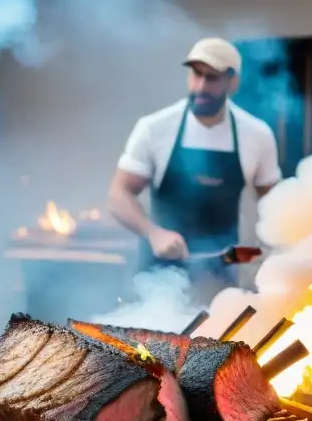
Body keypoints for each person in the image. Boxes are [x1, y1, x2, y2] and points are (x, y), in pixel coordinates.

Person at [107, 37, 282, 303]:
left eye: (212, 78)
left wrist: (277, 256)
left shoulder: (257, 135)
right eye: (196, 74)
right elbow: (119, 194)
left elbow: (276, 204)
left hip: (220, 282)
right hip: (158, 282)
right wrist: (153, 232)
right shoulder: (155, 128)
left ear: (232, 82)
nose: (200, 86)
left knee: (217, 343)